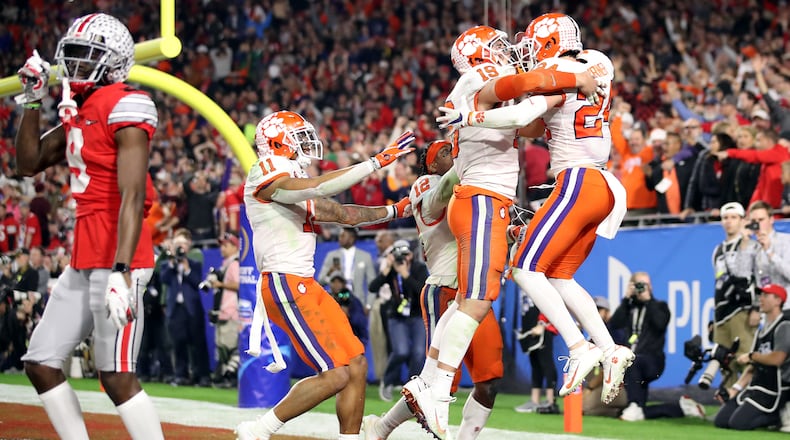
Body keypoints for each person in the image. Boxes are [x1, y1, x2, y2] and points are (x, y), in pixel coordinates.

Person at [402, 22, 602, 440]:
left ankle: (427, 381)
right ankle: (436, 390)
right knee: (476, 301)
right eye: (495, 46)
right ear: (476, 55)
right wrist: (576, 78)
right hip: (480, 201)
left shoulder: (479, 87)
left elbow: (525, 123)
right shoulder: (478, 77)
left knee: (466, 301)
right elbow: (527, 80)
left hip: (482, 202)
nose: (506, 50)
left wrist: (551, 106)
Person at [435, 12, 633, 416]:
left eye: (533, 44)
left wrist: (470, 117)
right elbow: (530, 126)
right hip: (604, 184)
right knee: (559, 275)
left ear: (549, 43)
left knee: (524, 268)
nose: (525, 51)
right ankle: (611, 349)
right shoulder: (597, 62)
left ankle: (579, 348)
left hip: (578, 180)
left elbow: (522, 114)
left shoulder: (558, 71)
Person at [15, 13, 163, 439]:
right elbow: (28, 164)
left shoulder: (125, 103)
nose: (76, 66)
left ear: (114, 62)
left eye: (87, 56)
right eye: (74, 56)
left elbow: (133, 195)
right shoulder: (79, 109)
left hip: (120, 256)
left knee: (116, 377)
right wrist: (31, 100)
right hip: (84, 257)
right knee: (41, 363)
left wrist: (121, 271)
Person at [234, 110, 415, 440]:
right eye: (297, 137)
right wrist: (374, 163)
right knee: (335, 374)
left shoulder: (292, 180)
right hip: (285, 282)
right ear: (277, 142)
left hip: (305, 283)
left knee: (356, 363)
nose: (305, 143)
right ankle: (258, 430)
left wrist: (396, 210)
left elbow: (343, 213)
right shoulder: (267, 170)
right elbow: (317, 186)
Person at [365, 139, 503, 439]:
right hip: (444, 290)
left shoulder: (467, 185)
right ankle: (382, 427)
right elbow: (441, 193)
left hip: (474, 292)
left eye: (451, 150)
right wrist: (473, 153)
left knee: (489, 380)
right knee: (437, 382)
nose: (451, 153)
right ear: (429, 164)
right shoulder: (429, 183)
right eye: (443, 152)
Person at [714, 284, 790, 430]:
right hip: (756, 387)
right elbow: (752, 366)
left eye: (765, 296)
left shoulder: (784, 326)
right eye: (760, 295)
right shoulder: (761, 331)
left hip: (774, 389)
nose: (760, 299)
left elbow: (778, 359)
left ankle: (775, 418)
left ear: (778, 300)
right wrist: (735, 389)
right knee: (721, 421)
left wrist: (752, 356)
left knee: (738, 423)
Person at [369, 238, 429, 402]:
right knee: (401, 351)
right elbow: (372, 287)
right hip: (396, 316)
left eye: (405, 254)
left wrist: (406, 275)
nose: (403, 258)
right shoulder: (391, 271)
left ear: (411, 254)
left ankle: (412, 388)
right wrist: (386, 269)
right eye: (399, 255)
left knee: (418, 353)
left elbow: (421, 291)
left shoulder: (419, 268)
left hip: (416, 315)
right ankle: (387, 382)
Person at [609, 272, 671, 421]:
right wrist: (626, 298)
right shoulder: (629, 308)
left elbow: (660, 323)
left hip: (653, 361)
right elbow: (615, 324)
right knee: (641, 410)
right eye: (640, 285)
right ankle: (681, 408)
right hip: (633, 361)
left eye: (647, 285)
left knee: (633, 361)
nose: (644, 288)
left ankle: (634, 404)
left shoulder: (660, 306)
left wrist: (648, 301)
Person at [712, 202, 760, 387]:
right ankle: (728, 408)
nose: (729, 221)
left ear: (742, 220)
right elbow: (719, 283)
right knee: (724, 362)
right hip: (722, 314)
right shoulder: (718, 250)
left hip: (742, 311)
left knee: (746, 358)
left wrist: (756, 308)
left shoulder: (751, 246)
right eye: (725, 218)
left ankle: (750, 402)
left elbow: (757, 277)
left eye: (733, 217)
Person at [161, 228, 211, 387]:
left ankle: (202, 376)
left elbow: (197, 281)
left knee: (198, 343)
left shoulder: (195, 263)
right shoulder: (167, 263)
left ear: (189, 246)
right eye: (178, 244)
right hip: (176, 308)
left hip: (192, 308)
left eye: (183, 244)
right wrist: (171, 261)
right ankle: (180, 375)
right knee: (178, 343)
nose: (181, 248)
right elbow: (165, 279)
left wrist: (185, 265)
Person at [209, 232, 241, 388]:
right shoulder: (226, 263)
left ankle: (231, 377)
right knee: (223, 348)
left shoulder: (235, 263)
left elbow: (240, 284)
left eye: (226, 245)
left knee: (231, 347)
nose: (222, 248)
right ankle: (224, 377)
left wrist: (220, 285)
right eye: (221, 245)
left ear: (235, 247)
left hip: (232, 311)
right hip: (223, 311)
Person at [318, 227, 376, 309]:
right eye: (339, 236)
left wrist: (368, 305)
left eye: (343, 236)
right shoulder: (332, 256)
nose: (339, 238)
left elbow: (372, 283)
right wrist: (330, 273)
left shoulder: (365, 257)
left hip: (357, 301)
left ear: (351, 238)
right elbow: (321, 280)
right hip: (337, 300)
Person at [747, 200, 790, 303]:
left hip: (786, 306)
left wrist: (769, 251)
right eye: (753, 221)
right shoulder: (751, 246)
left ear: (771, 219)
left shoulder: (786, 240)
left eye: (761, 219)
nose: (757, 224)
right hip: (764, 309)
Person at [328, 271, 368, 346]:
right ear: (330, 284)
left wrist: (349, 315)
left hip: (351, 341)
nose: (337, 285)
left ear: (344, 284)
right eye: (334, 282)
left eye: (339, 282)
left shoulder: (353, 301)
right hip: (332, 342)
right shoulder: (326, 301)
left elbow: (361, 324)